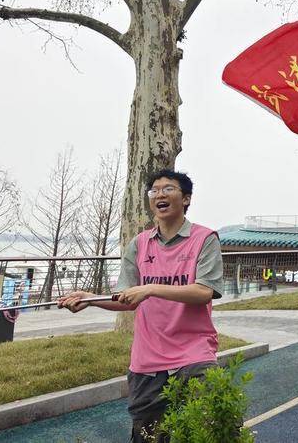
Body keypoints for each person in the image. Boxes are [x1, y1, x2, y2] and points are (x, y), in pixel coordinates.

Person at [58, 170, 224, 442]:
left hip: (195, 355)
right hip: (147, 361)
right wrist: (89, 299)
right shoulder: (139, 243)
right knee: (149, 437)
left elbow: (204, 292)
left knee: (208, 430)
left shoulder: (205, 239)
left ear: (186, 199)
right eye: (154, 190)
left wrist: (150, 288)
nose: (159, 194)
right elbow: (125, 298)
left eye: (168, 189)